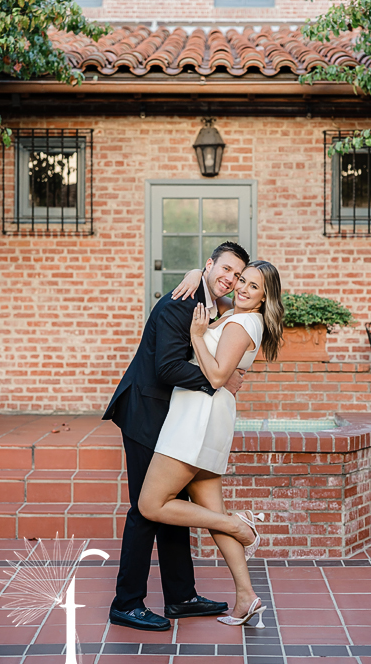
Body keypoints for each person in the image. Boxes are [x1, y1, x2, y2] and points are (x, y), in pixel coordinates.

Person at [103, 241, 249, 631]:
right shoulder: (179, 303)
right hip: (144, 412)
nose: (230, 279)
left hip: (170, 416)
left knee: (172, 502)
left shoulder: (209, 304)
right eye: (226, 269)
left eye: (237, 275)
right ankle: (127, 602)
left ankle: (181, 597)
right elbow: (167, 368)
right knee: (146, 508)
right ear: (209, 264)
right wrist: (219, 381)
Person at [137, 259, 284, 627]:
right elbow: (222, 369)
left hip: (196, 418)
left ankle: (237, 524)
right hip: (209, 417)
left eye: (253, 287)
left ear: (266, 297)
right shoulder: (238, 317)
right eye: (242, 281)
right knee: (210, 509)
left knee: (151, 504)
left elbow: (216, 376)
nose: (242, 289)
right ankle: (246, 597)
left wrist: (199, 336)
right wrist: (193, 274)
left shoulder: (241, 322)